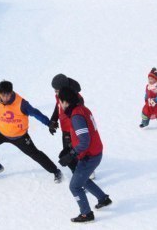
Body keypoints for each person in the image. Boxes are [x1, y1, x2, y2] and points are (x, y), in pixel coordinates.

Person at [0, 81, 63, 183]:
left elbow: (36, 113)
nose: (5, 98)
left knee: (35, 154)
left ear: (11, 92)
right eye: (3, 95)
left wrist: (48, 123)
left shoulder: (22, 104)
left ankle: (55, 171)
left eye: (7, 95)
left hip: (20, 136)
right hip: (1, 132)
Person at [57, 87, 112, 223]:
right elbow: (84, 136)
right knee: (82, 178)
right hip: (94, 152)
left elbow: (84, 141)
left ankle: (86, 214)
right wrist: (72, 146)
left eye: (61, 102)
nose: (60, 105)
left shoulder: (76, 116)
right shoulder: (83, 109)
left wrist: (72, 154)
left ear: (66, 102)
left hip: (89, 156)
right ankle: (103, 199)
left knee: (74, 186)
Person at [49, 74, 96, 179]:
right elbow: (58, 107)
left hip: (75, 130)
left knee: (79, 151)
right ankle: (78, 173)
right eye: (54, 90)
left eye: (57, 90)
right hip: (65, 129)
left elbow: (80, 116)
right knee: (68, 152)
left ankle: (86, 172)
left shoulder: (77, 99)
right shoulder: (59, 95)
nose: (55, 93)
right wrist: (53, 120)